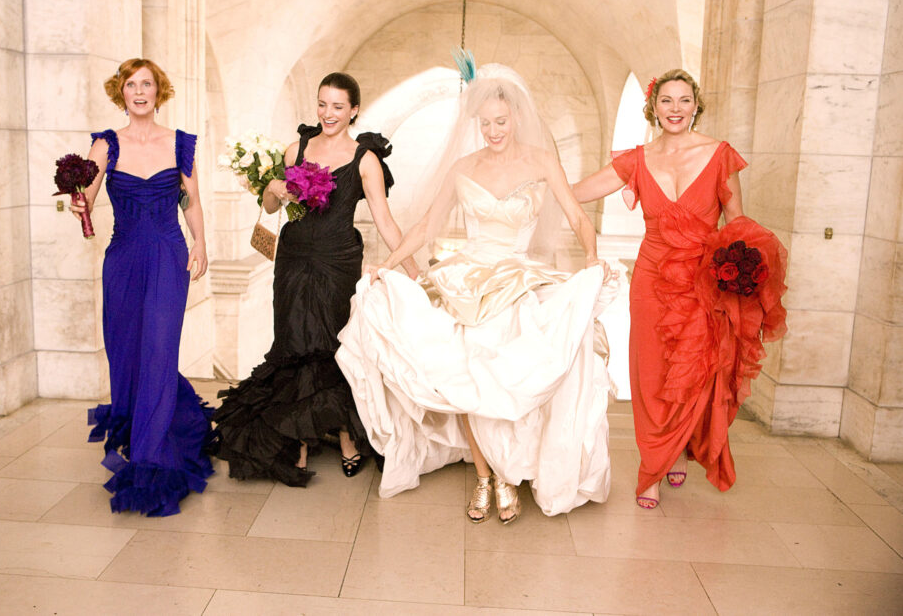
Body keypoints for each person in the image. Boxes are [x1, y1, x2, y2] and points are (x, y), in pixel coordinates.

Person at [336, 64, 617, 524]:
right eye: (484, 123)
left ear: (517, 118)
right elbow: (425, 226)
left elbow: (578, 216)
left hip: (518, 279)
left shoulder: (542, 161)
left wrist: (591, 256)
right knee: (465, 378)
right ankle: (486, 478)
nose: (493, 131)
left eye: (500, 121)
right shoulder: (463, 168)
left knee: (508, 378)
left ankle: (507, 474)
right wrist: (387, 265)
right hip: (467, 282)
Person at [572, 69, 787, 509]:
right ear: (653, 107)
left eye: (684, 100)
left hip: (702, 283)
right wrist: (532, 172)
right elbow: (577, 192)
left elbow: (737, 225)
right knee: (651, 373)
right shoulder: (636, 159)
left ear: (696, 106)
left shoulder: (719, 155)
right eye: (666, 100)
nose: (675, 109)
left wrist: (740, 274)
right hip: (651, 280)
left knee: (696, 372)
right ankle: (653, 466)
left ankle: (679, 447)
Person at [212, 72, 418, 485]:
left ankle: (344, 434)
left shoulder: (365, 159)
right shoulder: (297, 149)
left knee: (332, 343)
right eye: (322, 104)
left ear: (354, 110)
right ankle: (299, 438)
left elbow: (385, 220)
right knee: (293, 340)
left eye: (338, 106)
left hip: (337, 261)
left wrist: (414, 271)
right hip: (293, 257)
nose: (328, 113)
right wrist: (274, 186)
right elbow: (271, 208)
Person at [71, 58, 213, 517]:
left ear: (158, 91)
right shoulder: (105, 144)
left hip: (169, 255)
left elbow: (190, 200)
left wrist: (200, 242)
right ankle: (143, 431)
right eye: (130, 84)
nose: (138, 91)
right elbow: (87, 197)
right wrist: (78, 204)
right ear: (121, 92)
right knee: (127, 351)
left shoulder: (180, 143)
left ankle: (152, 461)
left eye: (146, 84)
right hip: (124, 258)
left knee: (159, 349)